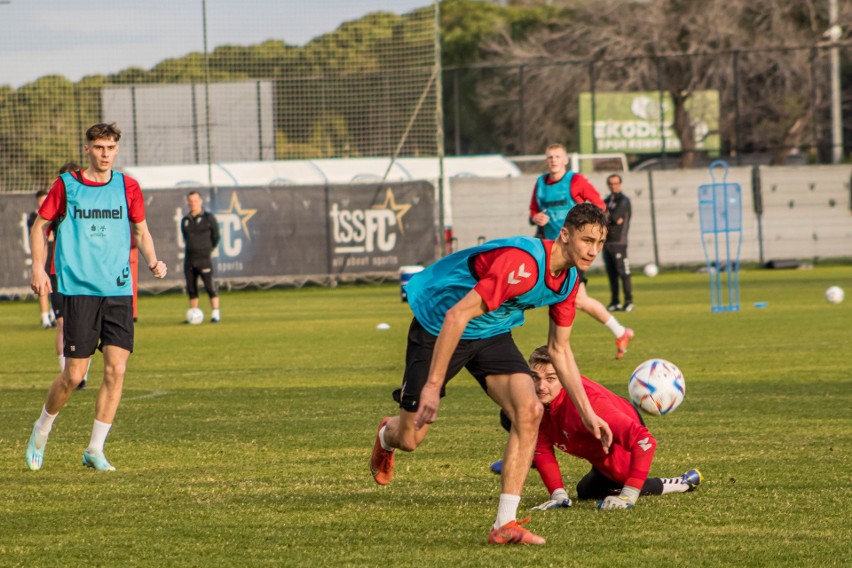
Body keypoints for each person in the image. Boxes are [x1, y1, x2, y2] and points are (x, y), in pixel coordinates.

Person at [370, 203, 615, 546]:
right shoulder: (524, 265)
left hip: (491, 333)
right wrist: (432, 387)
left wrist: (589, 415)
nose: (593, 250)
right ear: (564, 234)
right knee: (410, 439)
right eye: (587, 239)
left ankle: (505, 524)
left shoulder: (569, 281)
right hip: (439, 324)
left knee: (530, 410)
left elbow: (559, 350)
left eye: (599, 243)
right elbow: (457, 316)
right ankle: (386, 435)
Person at [25, 122, 168, 472]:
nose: (105, 154)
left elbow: (142, 230)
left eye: (111, 148)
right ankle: (42, 428)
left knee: (116, 370)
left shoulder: (127, 186)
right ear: (87, 149)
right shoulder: (68, 185)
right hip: (79, 291)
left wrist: (152, 259)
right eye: (99, 148)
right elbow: (38, 227)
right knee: (73, 376)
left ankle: (95, 449)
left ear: (117, 150)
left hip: (118, 290)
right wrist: (39, 269)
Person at [522, 346, 701, 511]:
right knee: (585, 491)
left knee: (622, 479)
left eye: (551, 378)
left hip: (620, 436)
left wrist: (627, 496)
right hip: (593, 443)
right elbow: (542, 448)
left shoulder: (591, 405)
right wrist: (558, 494)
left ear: (566, 377)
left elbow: (645, 441)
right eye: (535, 377)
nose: (540, 386)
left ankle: (682, 482)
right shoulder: (536, 401)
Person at [529, 144, 633, 359]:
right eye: (550, 157)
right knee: (576, 299)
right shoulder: (540, 183)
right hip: (551, 250)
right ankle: (620, 332)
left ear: (565, 160)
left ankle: (559, 348)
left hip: (572, 251)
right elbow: (533, 210)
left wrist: (584, 230)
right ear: (546, 160)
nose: (554, 160)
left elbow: (598, 206)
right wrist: (536, 217)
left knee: (570, 298)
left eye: (558, 156)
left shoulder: (575, 181)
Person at [181, 190, 221, 323]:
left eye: (196, 201)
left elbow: (216, 236)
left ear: (201, 201)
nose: (193, 204)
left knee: (210, 285)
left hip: (204, 258)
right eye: (191, 201)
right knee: (191, 287)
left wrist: (208, 249)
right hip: (190, 258)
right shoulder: (185, 220)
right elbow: (186, 238)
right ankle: (194, 313)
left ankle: (215, 314)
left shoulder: (208, 218)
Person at [602, 174, 633, 312]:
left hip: (619, 242)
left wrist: (608, 217)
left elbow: (614, 218)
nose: (613, 186)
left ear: (620, 184)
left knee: (623, 272)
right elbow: (601, 216)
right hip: (606, 243)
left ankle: (629, 301)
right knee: (611, 274)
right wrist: (608, 217)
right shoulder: (607, 200)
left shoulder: (624, 201)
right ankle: (615, 301)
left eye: (615, 183)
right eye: (611, 183)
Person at [27, 190, 56, 329]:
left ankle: (54, 314)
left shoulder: (56, 212)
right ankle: (45, 317)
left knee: (55, 284)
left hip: (55, 249)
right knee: (43, 285)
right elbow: (37, 232)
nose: (43, 202)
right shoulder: (35, 216)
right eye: (41, 200)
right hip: (43, 249)